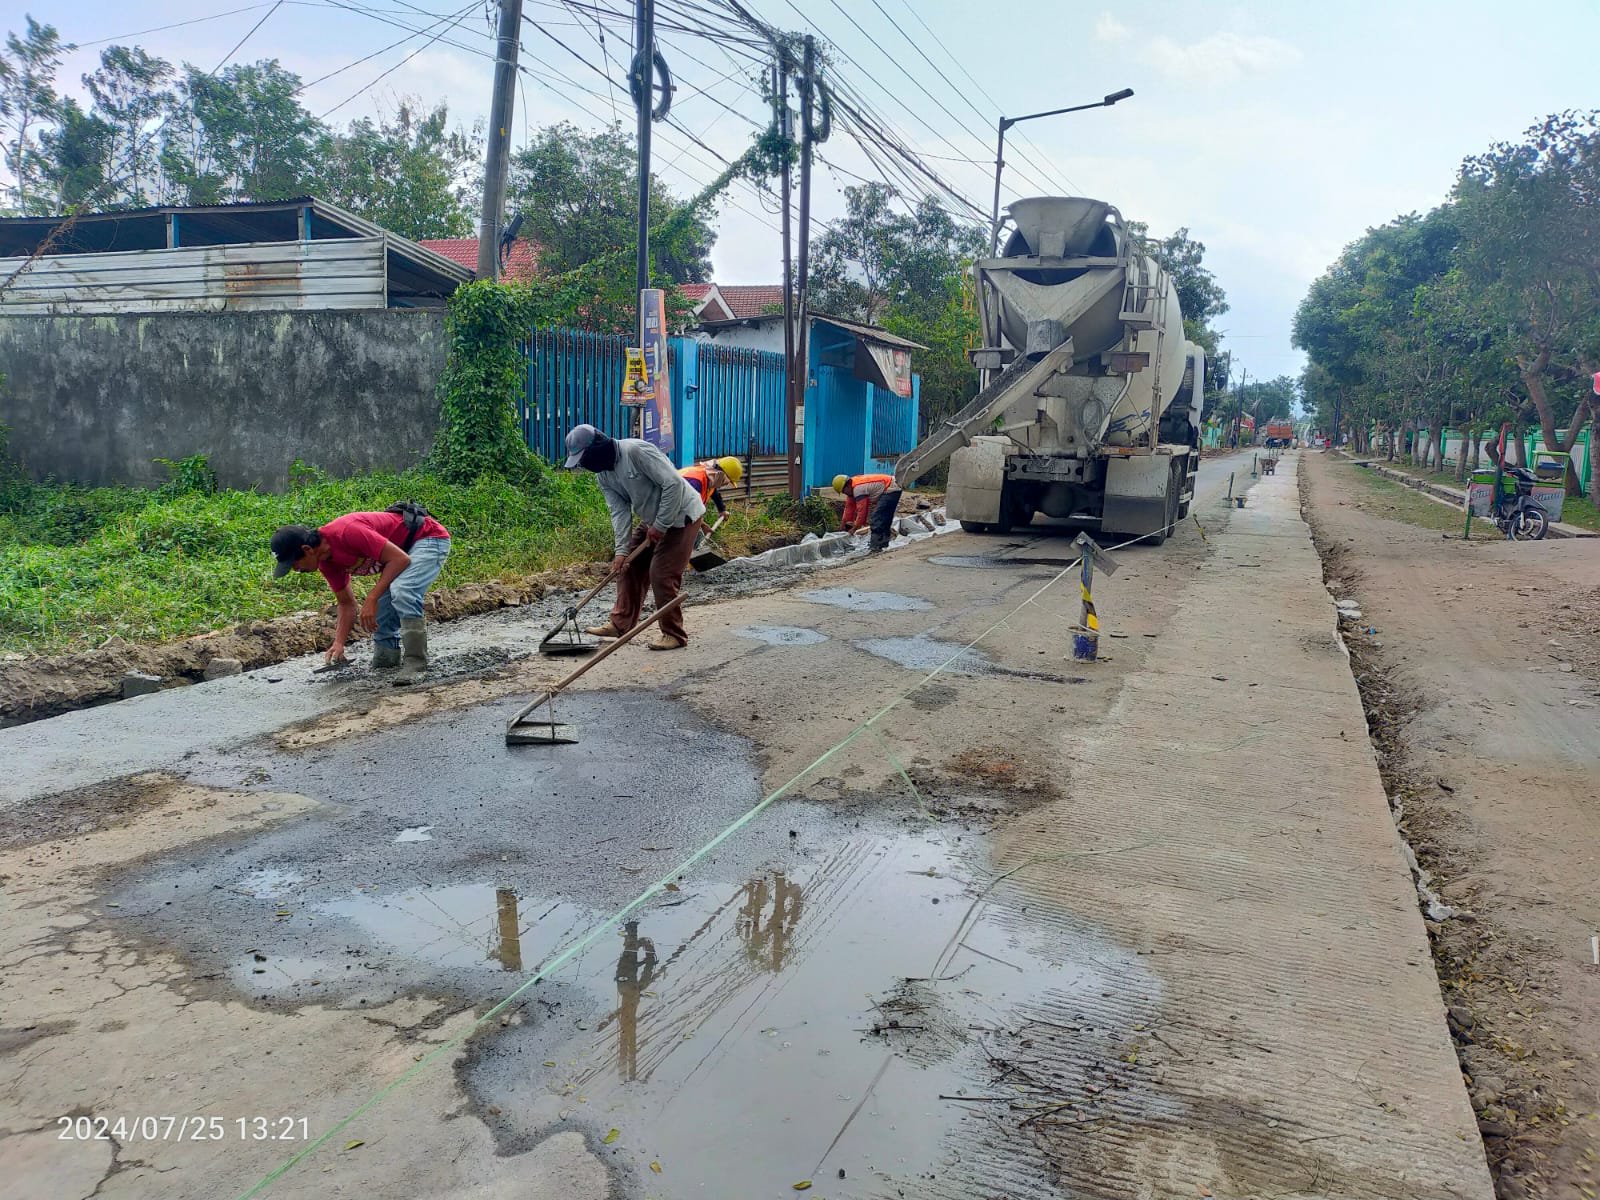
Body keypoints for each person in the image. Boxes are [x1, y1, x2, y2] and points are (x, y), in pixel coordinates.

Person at [565, 424, 704, 650]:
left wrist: (660, 525)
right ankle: (620, 624)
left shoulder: (635, 451)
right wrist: (621, 551)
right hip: (653, 519)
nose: (585, 465)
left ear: (597, 449)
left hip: (681, 516)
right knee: (627, 565)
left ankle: (674, 634)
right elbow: (619, 512)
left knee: (661, 574)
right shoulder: (604, 476)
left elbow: (674, 484)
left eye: (584, 458)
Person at [270, 506, 451, 680]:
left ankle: (416, 663)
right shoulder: (326, 563)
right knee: (382, 605)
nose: (296, 570)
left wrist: (371, 598)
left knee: (402, 590)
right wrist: (339, 643)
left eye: (294, 565)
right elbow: (346, 603)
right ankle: (387, 660)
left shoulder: (346, 532)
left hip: (428, 538)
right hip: (401, 552)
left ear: (307, 550)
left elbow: (400, 559)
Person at [833, 472, 902, 553]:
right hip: (889, 487)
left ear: (847, 486)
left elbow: (862, 511)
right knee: (883, 518)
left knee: (877, 519)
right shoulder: (852, 487)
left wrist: (855, 528)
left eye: (843, 492)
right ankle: (883, 544)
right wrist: (843, 526)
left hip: (891, 488)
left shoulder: (858, 489)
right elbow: (849, 508)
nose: (845, 494)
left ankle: (875, 547)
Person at [679, 456, 743, 521]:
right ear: (721, 476)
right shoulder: (696, 482)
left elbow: (715, 495)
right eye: (728, 481)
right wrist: (701, 524)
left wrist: (722, 510)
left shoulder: (709, 479)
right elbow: (685, 512)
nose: (726, 484)